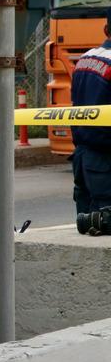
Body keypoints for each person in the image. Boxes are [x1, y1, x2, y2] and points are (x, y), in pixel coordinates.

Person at [70, 13, 111, 214]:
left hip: (82, 155)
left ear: (105, 30)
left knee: (86, 221)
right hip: (105, 159)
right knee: (104, 224)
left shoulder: (85, 59)